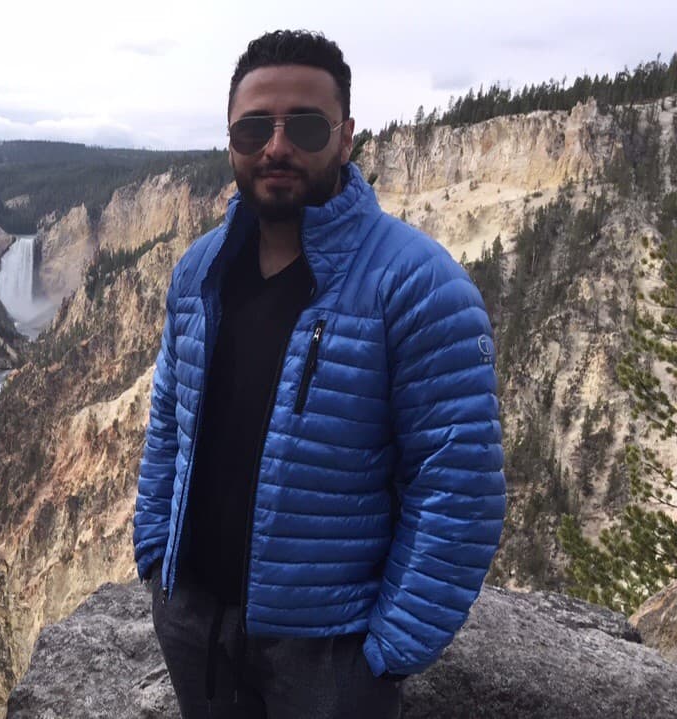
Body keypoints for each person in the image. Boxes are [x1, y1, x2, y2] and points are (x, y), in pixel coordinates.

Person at [131, 30, 506, 719]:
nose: (277, 146)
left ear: (346, 137)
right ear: (231, 140)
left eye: (303, 125)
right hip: (197, 623)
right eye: (253, 128)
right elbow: (167, 423)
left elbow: (459, 485)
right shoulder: (199, 270)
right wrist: (158, 561)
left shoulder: (420, 285)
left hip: (328, 654)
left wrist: (388, 649)